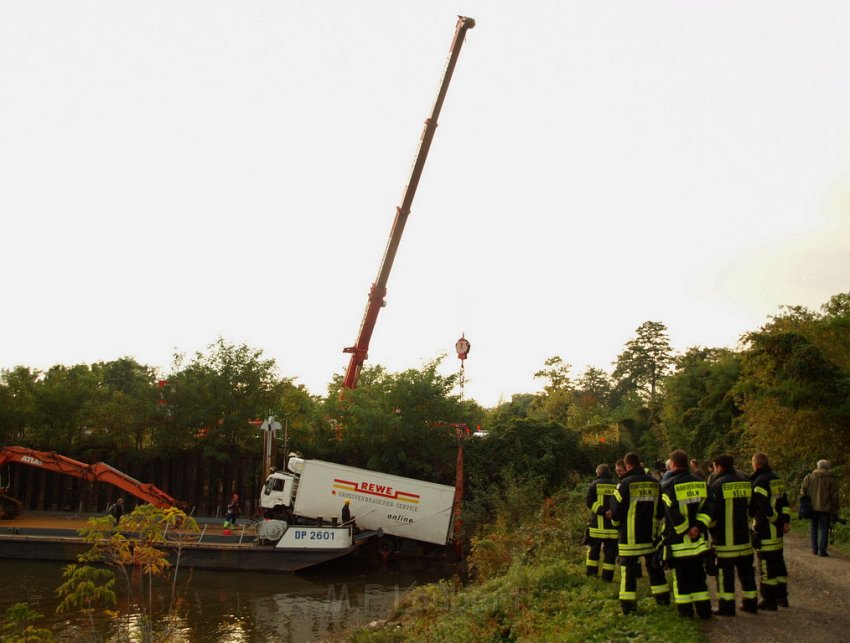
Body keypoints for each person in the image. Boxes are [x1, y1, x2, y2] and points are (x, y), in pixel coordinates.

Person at [609, 452, 669, 615]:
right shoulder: (655, 483)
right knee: (655, 568)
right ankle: (663, 600)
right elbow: (661, 511)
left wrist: (616, 526)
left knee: (628, 572)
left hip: (629, 537)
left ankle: (628, 608)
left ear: (628, 465)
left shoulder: (624, 484)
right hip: (651, 536)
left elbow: (615, 512)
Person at [660, 449, 712, 619]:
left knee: (681, 580)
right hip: (698, 542)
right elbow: (709, 508)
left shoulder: (668, 486)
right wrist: (697, 526)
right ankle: (704, 611)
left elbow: (671, 512)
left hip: (679, 543)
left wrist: (685, 529)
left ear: (673, 464)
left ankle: (686, 613)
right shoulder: (700, 483)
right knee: (698, 577)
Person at [707, 453, 758, 615]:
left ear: (720, 467)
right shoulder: (746, 482)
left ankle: (726, 607)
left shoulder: (717, 485)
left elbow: (712, 516)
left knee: (725, 575)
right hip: (745, 540)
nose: (714, 470)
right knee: (747, 573)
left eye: (714, 467)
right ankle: (751, 604)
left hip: (725, 542)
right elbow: (753, 508)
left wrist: (712, 533)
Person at [750, 452, 791, 610]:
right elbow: (784, 503)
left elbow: (764, 508)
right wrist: (785, 522)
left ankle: (769, 600)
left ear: (757, 465)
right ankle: (782, 598)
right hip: (778, 532)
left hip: (766, 531)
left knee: (766, 565)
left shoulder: (760, 482)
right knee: (779, 564)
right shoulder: (777, 479)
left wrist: (778, 522)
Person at [585, 463, 619, 581]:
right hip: (612, 527)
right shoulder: (617, 485)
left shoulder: (594, 484)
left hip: (596, 527)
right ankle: (607, 577)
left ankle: (591, 574)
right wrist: (611, 513)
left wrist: (602, 511)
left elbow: (589, 502)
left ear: (598, 473)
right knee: (610, 553)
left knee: (593, 552)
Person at [801, 459, 840, 557]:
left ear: (818, 466)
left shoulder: (809, 477)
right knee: (824, 529)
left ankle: (814, 549)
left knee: (813, 527)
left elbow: (803, 490)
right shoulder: (831, 479)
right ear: (827, 467)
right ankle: (822, 551)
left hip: (812, 507)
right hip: (826, 508)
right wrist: (835, 509)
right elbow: (834, 496)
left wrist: (805, 500)